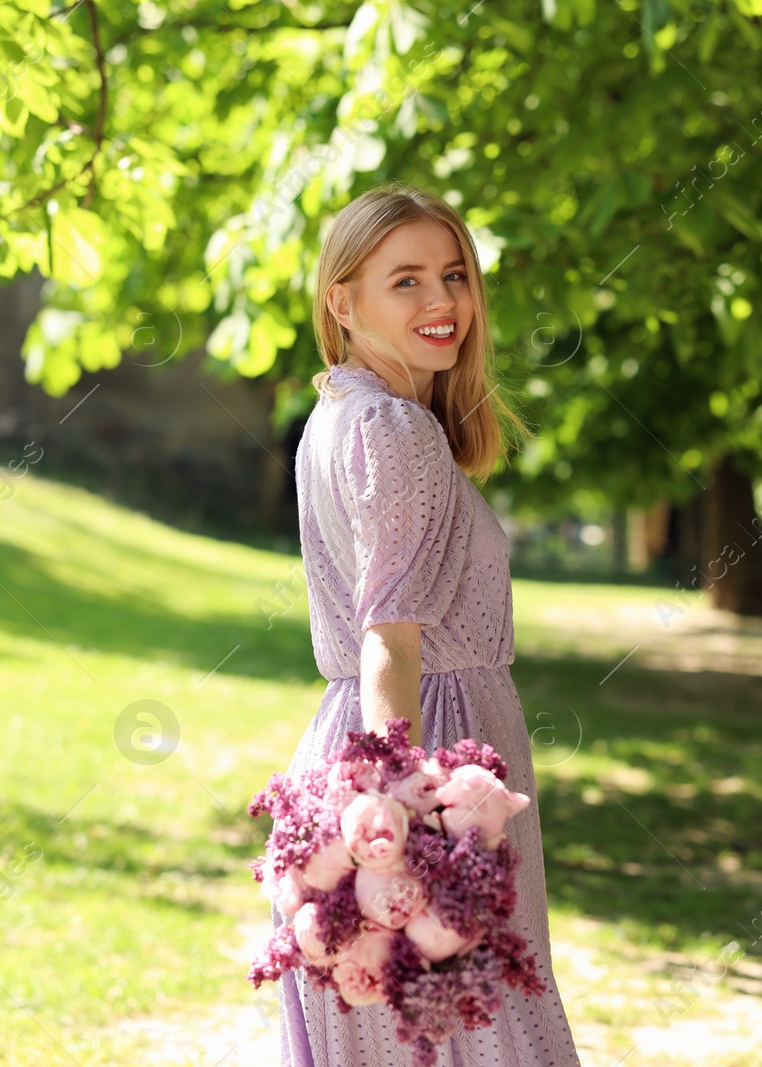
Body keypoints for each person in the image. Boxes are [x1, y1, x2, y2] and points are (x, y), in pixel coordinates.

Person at [273, 181, 583, 1066]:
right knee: (485, 1037)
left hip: (384, 741)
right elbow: (389, 639)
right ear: (344, 298)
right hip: (433, 749)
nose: (443, 301)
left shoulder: (341, 413)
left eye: (453, 275)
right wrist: (400, 801)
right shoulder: (393, 428)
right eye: (404, 280)